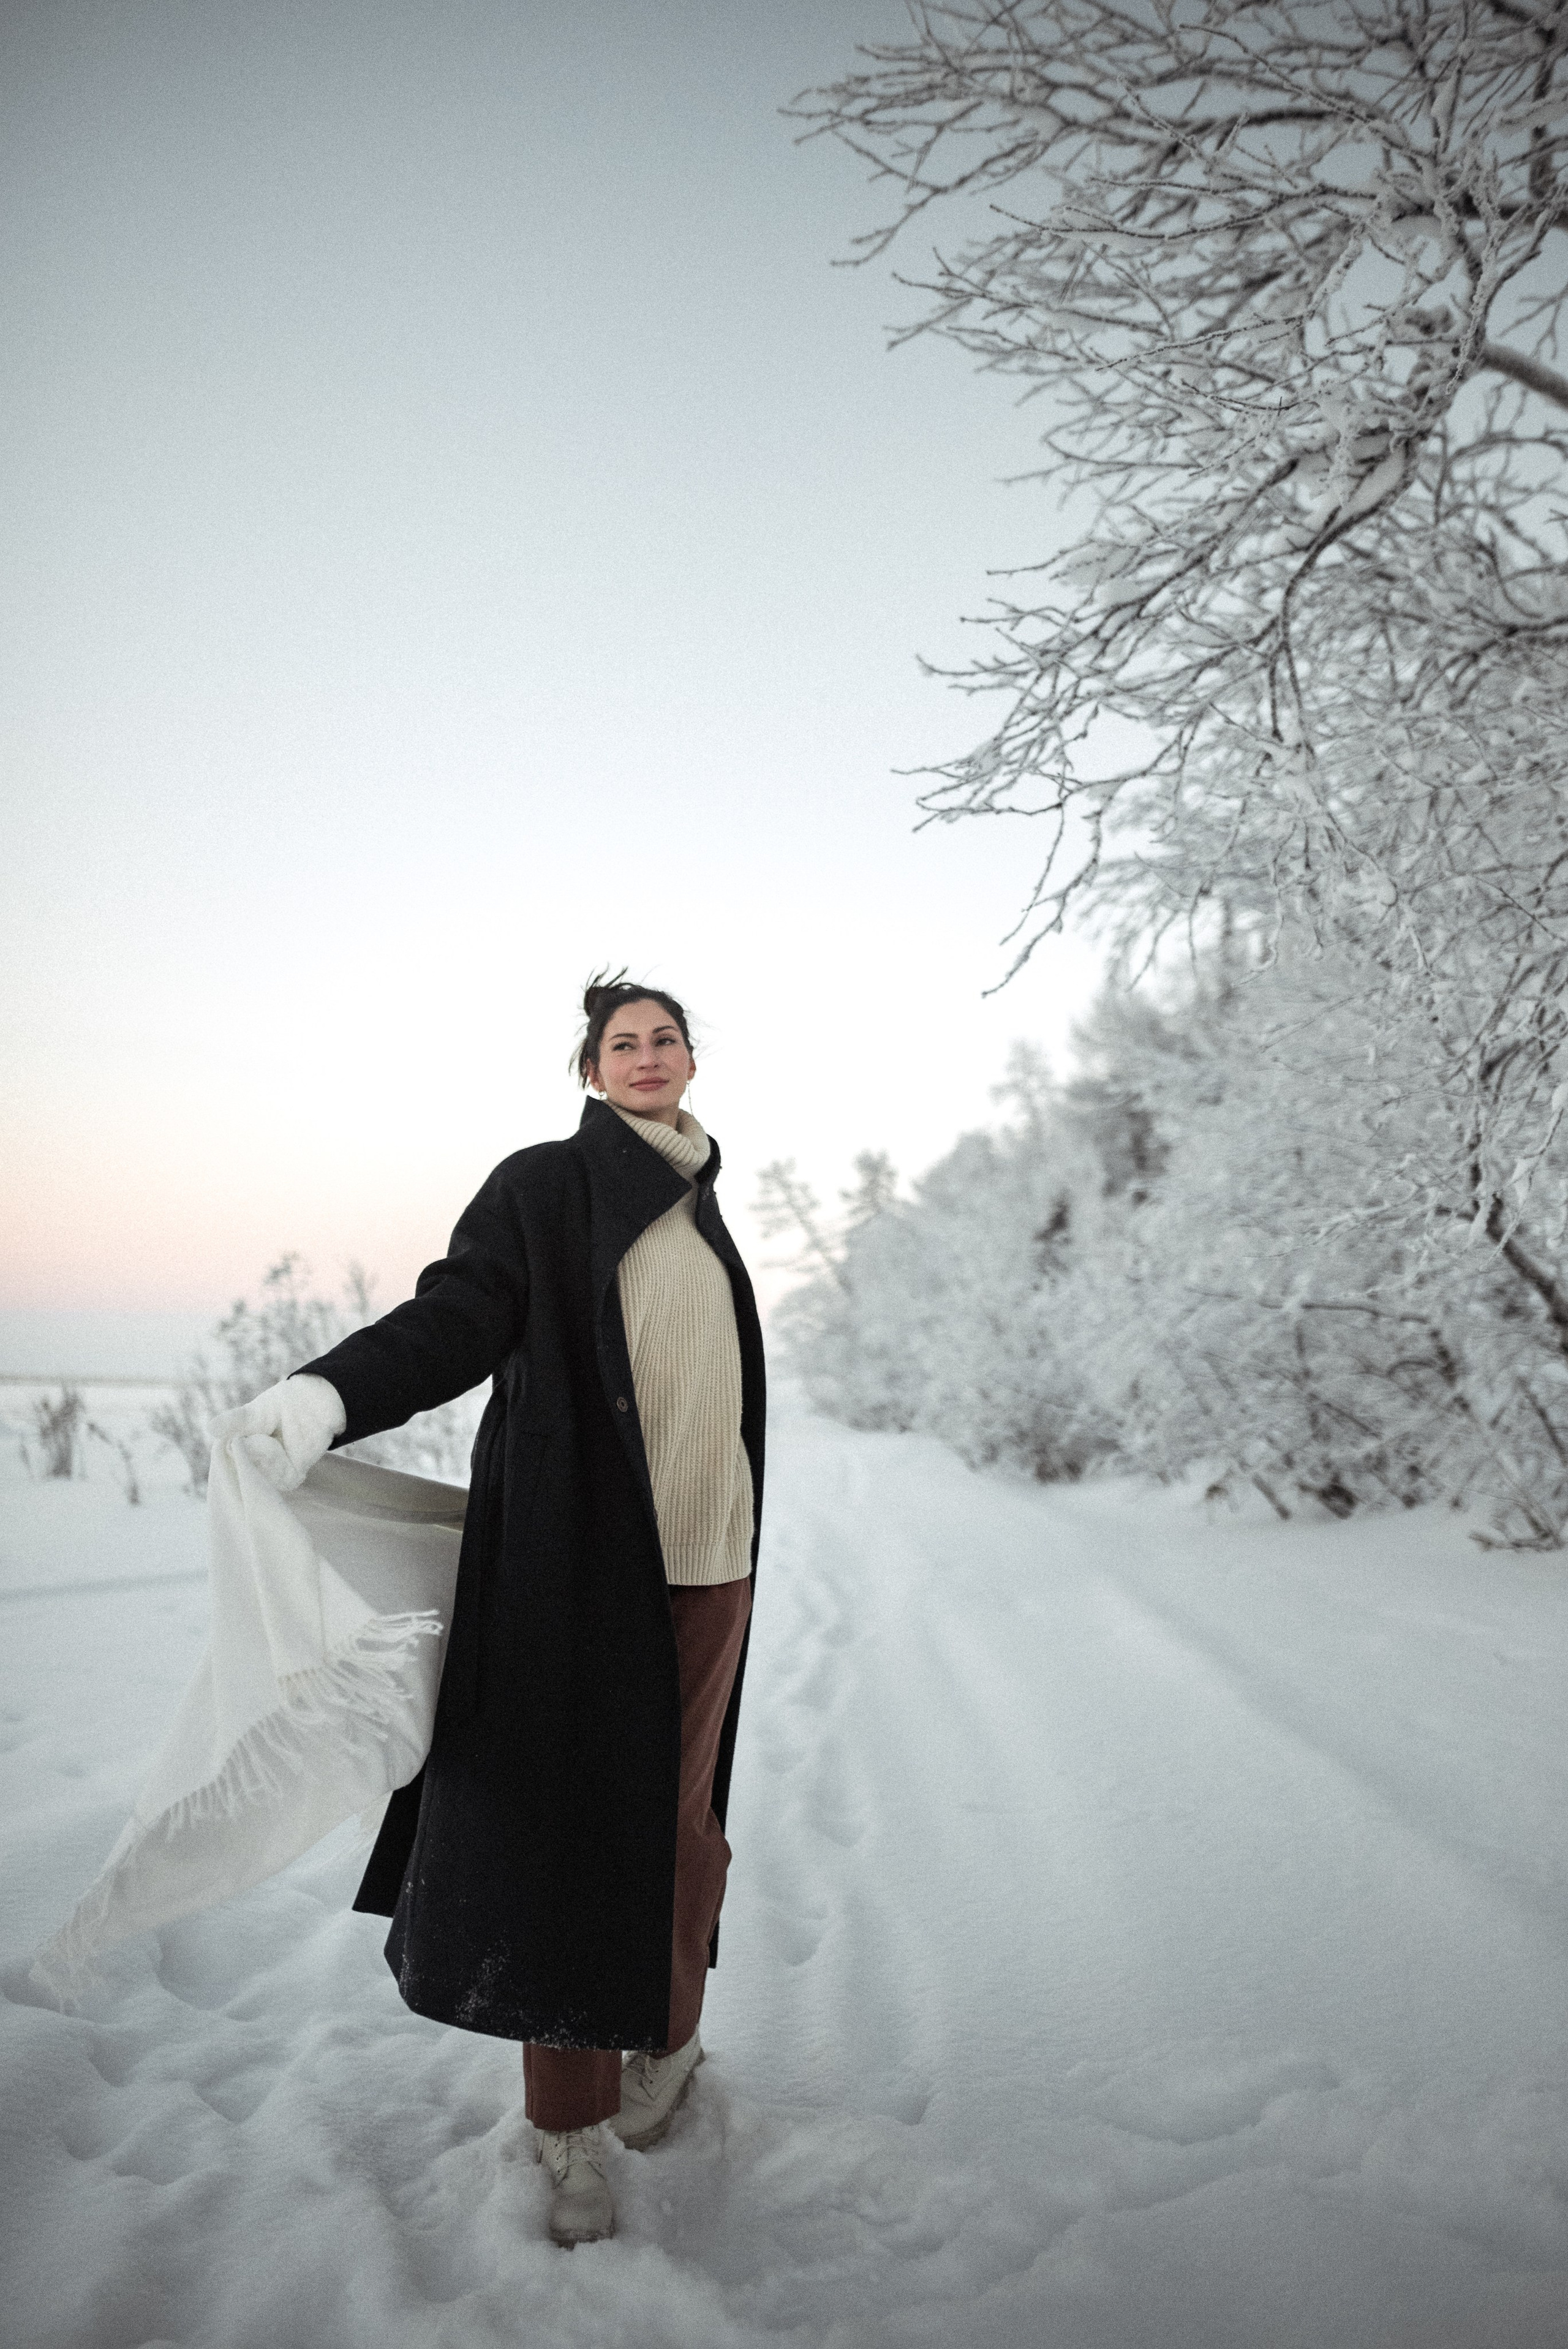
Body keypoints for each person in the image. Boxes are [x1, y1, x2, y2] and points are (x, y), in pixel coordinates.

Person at [211, 974, 764, 2246]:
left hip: (712, 1563)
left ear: (691, 1062)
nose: (645, 1054)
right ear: (589, 1070)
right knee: (570, 1842)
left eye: (663, 1037)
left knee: (680, 1826)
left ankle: (665, 2043)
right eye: (621, 1042)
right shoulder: (543, 1189)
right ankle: (565, 2129)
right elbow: (456, 1318)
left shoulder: (701, 1205)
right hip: (585, 1575)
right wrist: (329, 1392)